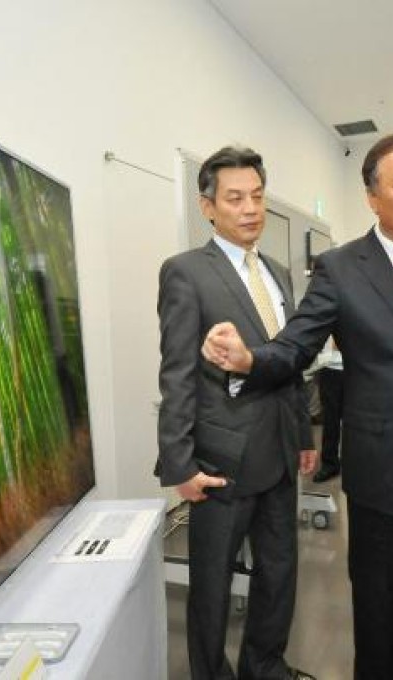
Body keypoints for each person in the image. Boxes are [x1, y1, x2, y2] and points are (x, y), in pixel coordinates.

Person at [203, 133, 393, 680]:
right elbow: (296, 347)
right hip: (382, 470)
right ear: (373, 196)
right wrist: (250, 361)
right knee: (380, 612)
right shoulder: (342, 268)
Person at [155, 146, 317, 680]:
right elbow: (177, 372)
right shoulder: (185, 273)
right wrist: (178, 464)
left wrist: (304, 434)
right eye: (234, 198)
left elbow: (288, 360)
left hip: (277, 451)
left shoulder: (276, 273)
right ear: (208, 207)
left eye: (257, 196)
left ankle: (263, 665)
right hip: (221, 458)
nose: (250, 208)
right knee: (213, 582)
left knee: (279, 571)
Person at [312, 339, 343, 482]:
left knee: (356, 421)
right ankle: (330, 464)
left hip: (356, 367)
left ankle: (355, 463)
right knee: (330, 420)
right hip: (328, 366)